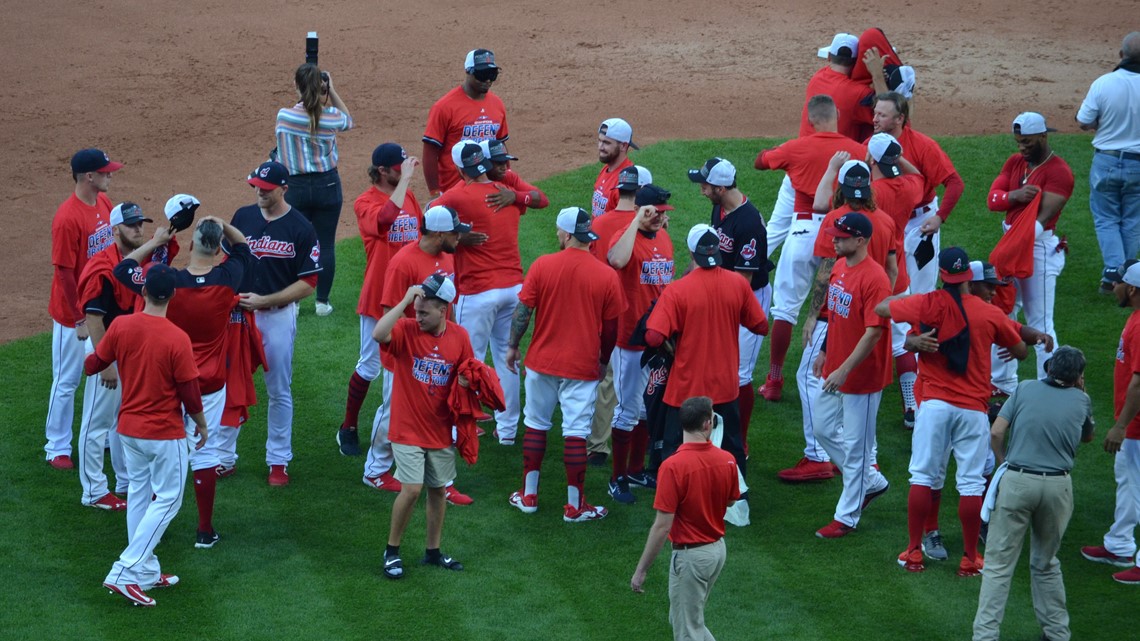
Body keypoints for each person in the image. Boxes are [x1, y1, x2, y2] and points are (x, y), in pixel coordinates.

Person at [876, 247, 1027, 575]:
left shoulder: (926, 303)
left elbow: (882, 307)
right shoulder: (988, 313)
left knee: (923, 476)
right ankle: (970, 559)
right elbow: (1020, 350)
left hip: (933, 405)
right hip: (972, 409)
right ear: (968, 278)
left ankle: (914, 553)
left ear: (943, 273)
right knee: (971, 484)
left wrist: (914, 340)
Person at [114, 210, 252, 549]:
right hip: (210, 383)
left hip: (168, 380)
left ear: (190, 244)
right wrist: (222, 224)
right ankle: (205, 531)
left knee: (155, 459)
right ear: (220, 250)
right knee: (206, 453)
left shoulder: (169, 282)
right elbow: (244, 248)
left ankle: (146, 529)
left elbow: (123, 269)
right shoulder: (228, 278)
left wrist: (156, 242)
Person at [88, 264, 208, 607]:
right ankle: (125, 571)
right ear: (172, 296)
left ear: (143, 293)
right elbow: (189, 393)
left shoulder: (122, 326)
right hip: (163, 433)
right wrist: (201, 424)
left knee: (140, 496)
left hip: (127, 431)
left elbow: (94, 364)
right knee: (169, 499)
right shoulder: (177, 338)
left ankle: (146, 571)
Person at [506, 207, 624, 521]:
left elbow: (523, 313)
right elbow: (611, 330)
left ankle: (529, 496)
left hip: (541, 362)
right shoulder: (606, 275)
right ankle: (575, 506)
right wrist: (602, 361)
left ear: (568, 234)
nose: (558, 235)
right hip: (582, 366)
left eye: (560, 231)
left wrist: (513, 346)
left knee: (535, 424)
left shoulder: (543, 265)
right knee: (575, 432)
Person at [973, 346, 1095, 641]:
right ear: (1079, 376)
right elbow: (1087, 436)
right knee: (1046, 562)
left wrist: (1005, 463)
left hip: (1018, 482)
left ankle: (985, 636)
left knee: (999, 566)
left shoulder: (1026, 389)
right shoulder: (1082, 401)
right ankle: (1056, 634)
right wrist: (1081, 391)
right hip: (1057, 487)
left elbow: (996, 432)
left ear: (1050, 368)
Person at [754, 95, 866, 402]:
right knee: (836, 307)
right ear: (837, 116)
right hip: (842, 234)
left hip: (803, 230)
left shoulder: (797, 146)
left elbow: (760, 162)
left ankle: (774, 380)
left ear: (811, 119)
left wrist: (788, 157)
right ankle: (831, 373)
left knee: (785, 310)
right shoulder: (857, 151)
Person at [645, 224, 768, 492]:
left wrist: (672, 340)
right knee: (732, 447)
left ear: (691, 252)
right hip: (725, 386)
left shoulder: (677, 291)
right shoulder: (737, 283)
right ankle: (737, 497)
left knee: (676, 448)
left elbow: (653, 337)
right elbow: (761, 326)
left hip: (686, 388)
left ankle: (674, 497)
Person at [367, 205, 472, 506]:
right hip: (404, 352)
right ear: (439, 233)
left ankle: (443, 482)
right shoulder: (403, 263)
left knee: (441, 410)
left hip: (440, 348)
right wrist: (402, 351)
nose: (458, 236)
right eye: (454, 232)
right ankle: (375, 469)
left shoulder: (447, 255)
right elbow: (390, 312)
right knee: (391, 414)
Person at [227, 161, 322, 486]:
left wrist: (267, 301)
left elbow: (308, 283)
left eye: (266, 190)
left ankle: (278, 461)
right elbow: (229, 262)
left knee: (278, 389)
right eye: (255, 186)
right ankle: (224, 457)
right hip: (239, 315)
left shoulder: (300, 227)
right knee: (231, 384)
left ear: (283, 188)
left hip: (277, 316)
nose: (259, 193)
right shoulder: (243, 217)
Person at [376, 275, 473, 580]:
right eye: (416, 311)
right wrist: (405, 301)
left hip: (439, 429)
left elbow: (467, 372)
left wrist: (468, 384)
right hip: (406, 427)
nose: (417, 317)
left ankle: (432, 551)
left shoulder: (460, 337)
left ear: (444, 309)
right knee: (412, 488)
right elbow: (379, 334)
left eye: (424, 312)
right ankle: (391, 551)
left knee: (438, 490)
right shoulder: (405, 329)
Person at [436, 143, 527, 444]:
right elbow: (536, 199)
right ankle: (508, 430)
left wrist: (459, 238)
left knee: (466, 358)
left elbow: (430, 225)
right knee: (506, 358)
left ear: (460, 169)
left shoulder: (455, 196)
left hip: (477, 293)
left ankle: (459, 426)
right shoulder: (506, 194)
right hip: (514, 289)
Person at [809, 213, 892, 539]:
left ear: (860, 241)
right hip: (837, 368)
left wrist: (845, 369)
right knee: (822, 427)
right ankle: (869, 480)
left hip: (863, 377)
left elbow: (874, 333)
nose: (835, 241)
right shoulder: (841, 267)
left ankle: (847, 517)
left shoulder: (875, 279)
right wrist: (826, 351)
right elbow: (837, 318)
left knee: (857, 447)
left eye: (841, 238)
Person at [629, 396, 739, 641]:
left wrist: (641, 571)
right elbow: (731, 501)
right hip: (717, 551)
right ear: (707, 424)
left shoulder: (672, 467)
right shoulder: (727, 460)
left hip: (692, 557)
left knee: (687, 630)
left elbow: (661, 526)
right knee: (688, 621)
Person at [338, 143, 421, 456]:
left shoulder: (409, 196)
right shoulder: (365, 202)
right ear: (383, 171)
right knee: (370, 365)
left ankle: (407, 426)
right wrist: (404, 183)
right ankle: (348, 427)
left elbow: (420, 235)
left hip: (412, 295)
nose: (405, 169)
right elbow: (385, 220)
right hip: (380, 297)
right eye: (399, 166)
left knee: (411, 363)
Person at [45, 148, 122, 470]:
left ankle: (101, 436)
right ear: (89, 176)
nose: (110, 175)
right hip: (72, 315)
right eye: (104, 172)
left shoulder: (103, 203)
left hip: (100, 309)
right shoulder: (67, 218)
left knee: (104, 375)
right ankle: (57, 446)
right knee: (67, 380)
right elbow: (63, 271)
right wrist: (78, 317)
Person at [987, 112, 1074, 386]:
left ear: (1043, 136)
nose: (1021, 148)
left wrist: (1011, 249)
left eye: (1027, 142)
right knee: (1003, 314)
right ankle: (1003, 383)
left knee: (1041, 323)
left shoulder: (1059, 172)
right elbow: (993, 200)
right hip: (1013, 243)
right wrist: (1013, 196)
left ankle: (1050, 387)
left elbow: (1042, 218)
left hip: (1037, 250)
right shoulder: (1015, 162)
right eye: (1018, 142)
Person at [75, 202, 152, 511]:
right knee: (96, 423)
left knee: (122, 417)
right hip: (103, 348)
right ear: (116, 229)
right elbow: (93, 317)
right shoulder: (102, 266)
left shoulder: (129, 262)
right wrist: (105, 362)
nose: (139, 229)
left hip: (122, 350)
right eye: (132, 225)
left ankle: (125, 480)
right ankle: (93, 491)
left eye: (141, 224)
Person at [689, 157, 771, 446]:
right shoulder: (719, 208)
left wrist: (715, 303)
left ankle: (741, 441)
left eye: (705, 185)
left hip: (748, 297)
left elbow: (742, 282)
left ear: (721, 188)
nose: (701, 190)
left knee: (739, 374)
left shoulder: (749, 224)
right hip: (725, 289)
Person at [605, 202, 673, 503]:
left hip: (656, 338)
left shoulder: (665, 236)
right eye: (653, 211)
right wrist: (636, 221)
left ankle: (634, 469)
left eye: (663, 211)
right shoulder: (625, 236)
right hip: (629, 340)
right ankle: (616, 478)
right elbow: (616, 260)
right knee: (627, 410)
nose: (659, 216)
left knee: (647, 407)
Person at [275, 63, 353, 316]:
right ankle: (322, 303)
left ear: (297, 87)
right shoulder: (331, 116)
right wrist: (332, 89)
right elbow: (348, 121)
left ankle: (294, 303)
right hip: (327, 185)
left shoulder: (284, 116)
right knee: (326, 244)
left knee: (294, 244)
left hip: (295, 187)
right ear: (321, 88)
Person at [1080, 260, 1140, 584]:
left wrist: (1121, 426)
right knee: (1128, 484)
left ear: (1131, 289)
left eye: (1117, 283)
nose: (1112, 288)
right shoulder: (1135, 318)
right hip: (1133, 424)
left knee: (1138, 487)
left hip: (1137, 425)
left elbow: (1139, 383)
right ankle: (1119, 544)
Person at [871, 91, 965, 295]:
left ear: (899, 119)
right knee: (887, 288)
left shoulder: (923, 146)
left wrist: (939, 218)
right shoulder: (871, 146)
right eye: (875, 113)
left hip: (920, 224)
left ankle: (921, 327)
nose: (874, 119)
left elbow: (955, 183)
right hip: (887, 224)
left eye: (882, 115)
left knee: (922, 292)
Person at [866, 132, 926, 427]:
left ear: (872, 160)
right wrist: (895, 156)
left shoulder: (869, 192)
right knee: (901, 342)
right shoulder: (909, 186)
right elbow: (918, 175)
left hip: (865, 276)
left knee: (858, 335)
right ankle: (911, 406)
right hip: (898, 274)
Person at [1076, 32, 1140, 293]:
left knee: (1107, 219)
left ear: (1121, 55)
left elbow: (1084, 121)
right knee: (1133, 220)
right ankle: (1128, 277)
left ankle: (1113, 274)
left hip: (1107, 161)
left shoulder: (1104, 83)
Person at [422, 49, 508, 198]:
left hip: (489, 186)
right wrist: (435, 192)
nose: (487, 80)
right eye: (482, 75)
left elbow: (500, 146)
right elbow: (430, 152)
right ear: (468, 72)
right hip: (454, 189)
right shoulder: (444, 107)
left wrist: (507, 178)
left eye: (492, 75)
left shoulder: (497, 104)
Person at [481, 139, 549, 210]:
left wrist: (515, 196)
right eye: (499, 163)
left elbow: (543, 200)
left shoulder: (508, 176)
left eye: (505, 162)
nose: (504, 168)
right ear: (485, 163)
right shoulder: (473, 183)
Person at [593, 118, 637, 217]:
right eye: (599, 141)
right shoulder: (606, 169)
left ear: (623, 146)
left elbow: (625, 221)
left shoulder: (626, 181)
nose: (600, 147)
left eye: (606, 143)